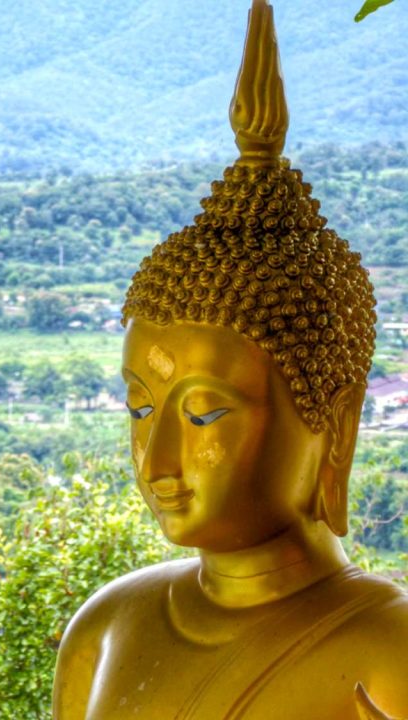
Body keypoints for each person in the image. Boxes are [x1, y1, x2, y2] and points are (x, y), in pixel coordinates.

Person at [52, 2, 408, 718]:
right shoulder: (108, 626)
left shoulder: (391, 650)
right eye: (141, 407)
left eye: (205, 411)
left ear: (333, 426)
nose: (157, 462)